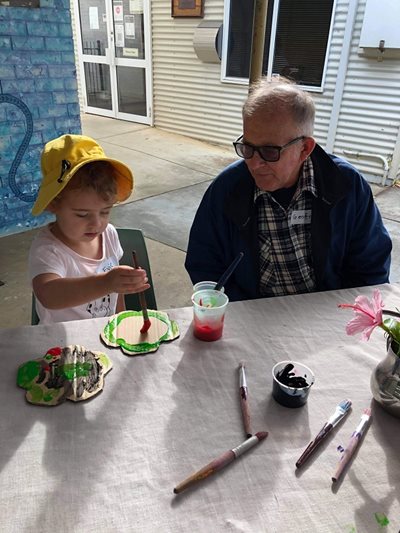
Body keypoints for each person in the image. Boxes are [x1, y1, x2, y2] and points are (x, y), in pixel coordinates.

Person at [185, 77, 392, 301]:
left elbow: (371, 271)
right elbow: (204, 265)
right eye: (247, 147)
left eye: (269, 151)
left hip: (327, 311)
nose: (254, 163)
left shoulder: (346, 186)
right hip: (251, 314)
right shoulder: (227, 189)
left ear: (305, 148)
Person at [29, 134, 150, 323]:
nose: (97, 224)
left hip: (105, 336)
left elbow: (116, 294)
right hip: (61, 344)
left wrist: (121, 319)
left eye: (105, 212)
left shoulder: (108, 234)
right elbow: (48, 294)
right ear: (53, 204)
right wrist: (106, 282)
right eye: (82, 214)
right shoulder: (48, 249)